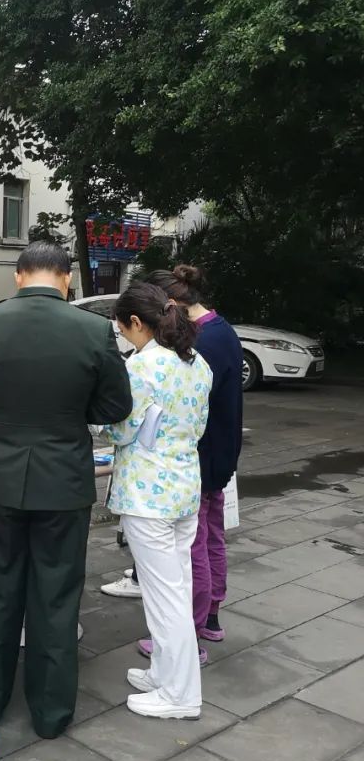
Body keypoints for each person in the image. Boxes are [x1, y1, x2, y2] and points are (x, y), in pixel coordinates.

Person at [0, 241, 132, 738]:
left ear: (18, 276)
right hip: (64, 479)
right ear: (66, 279)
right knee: (56, 597)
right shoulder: (95, 329)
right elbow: (115, 406)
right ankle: (51, 714)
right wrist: (74, 412)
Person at [103, 283, 212, 719]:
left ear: (135, 322)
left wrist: (105, 430)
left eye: (121, 328)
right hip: (185, 486)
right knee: (174, 590)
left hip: (147, 494)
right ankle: (165, 675)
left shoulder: (142, 367)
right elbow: (199, 425)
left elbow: (123, 429)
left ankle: (181, 695)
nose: (121, 336)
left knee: (163, 598)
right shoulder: (196, 363)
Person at [128, 266, 243, 652]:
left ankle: (189, 635)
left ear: (172, 305)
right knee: (211, 538)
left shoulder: (201, 344)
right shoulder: (222, 328)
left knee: (193, 549)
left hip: (197, 459)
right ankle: (209, 617)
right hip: (220, 454)